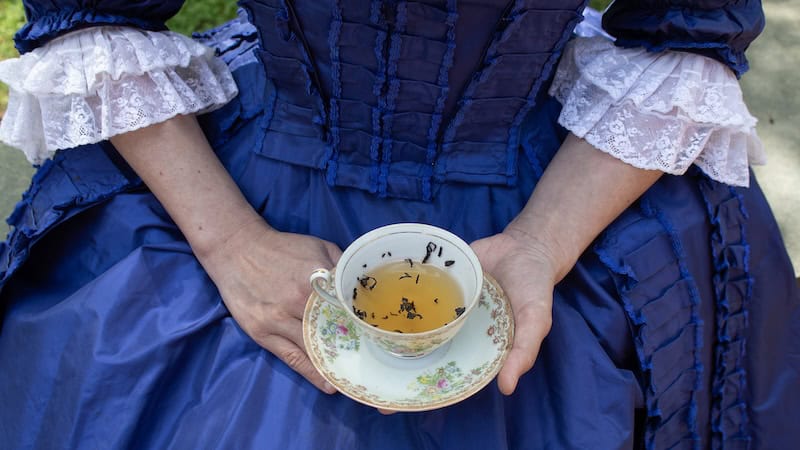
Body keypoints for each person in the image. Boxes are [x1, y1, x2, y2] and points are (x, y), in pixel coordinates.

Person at [0, 0, 797, 448]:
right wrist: (229, 243)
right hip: (246, 194)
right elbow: (89, 8)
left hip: (553, 193)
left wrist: (544, 242)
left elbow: (687, 31)